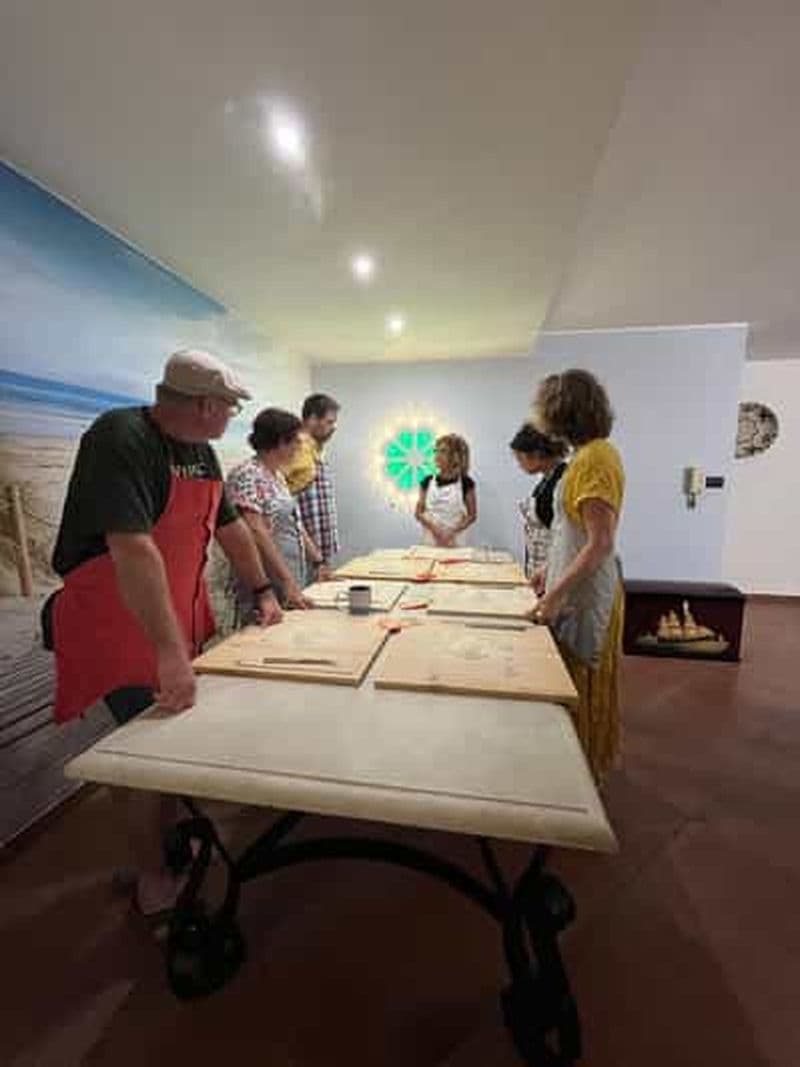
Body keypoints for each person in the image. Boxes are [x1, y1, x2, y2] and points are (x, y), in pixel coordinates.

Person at [45, 349, 282, 917]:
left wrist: (267, 591)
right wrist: (170, 655)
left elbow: (230, 529)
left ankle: (163, 847)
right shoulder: (120, 438)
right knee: (141, 758)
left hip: (168, 616)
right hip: (114, 621)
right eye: (229, 407)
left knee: (165, 745)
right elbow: (133, 550)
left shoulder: (200, 451)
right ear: (203, 405)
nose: (233, 417)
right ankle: (152, 882)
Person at [530, 369, 625, 781]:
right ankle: (573, 770)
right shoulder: (589, 456)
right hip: (573, 586)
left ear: (561, 411)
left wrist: (555, 595)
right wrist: (546, 570)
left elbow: (600, 542)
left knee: (581, 682)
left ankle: (582, 776)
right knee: (569, 678)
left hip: (586, 595)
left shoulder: (595, 459)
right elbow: (571, 532)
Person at [226, 408, 319, 612]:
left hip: (289, 576)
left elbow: (294, 523)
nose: (299, 447)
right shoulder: (247, 474)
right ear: (280, 441)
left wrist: (317, 561)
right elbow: (256, 531)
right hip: (265, 582)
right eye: (296, 441)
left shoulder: (277, 476)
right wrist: (286, 580)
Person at [283, 393, 341, 581]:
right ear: (312, 419)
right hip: (303, 552)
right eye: (329, 422)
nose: (333, 428)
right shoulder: (297, 449)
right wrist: (315, 557)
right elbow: (287, 505)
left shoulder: (314, 450)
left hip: (318, 552)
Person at [509, 423, 568, 579]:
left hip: (554, 569)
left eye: (520, 458)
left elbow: (565, 538)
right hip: (538, 566)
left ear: (536, 454)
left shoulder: (562, 482)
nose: (519, 464)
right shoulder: (545, 481)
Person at [415, 433, 477, 547]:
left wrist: (452, 532)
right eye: (436, 451)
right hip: (430, 540)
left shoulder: (466, 483)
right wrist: (434, 529)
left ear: (455, 456)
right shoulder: (427, 481)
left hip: (455, 541)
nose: (437, 455)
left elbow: (472, 516)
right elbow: (418, 513)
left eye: (443, 451)